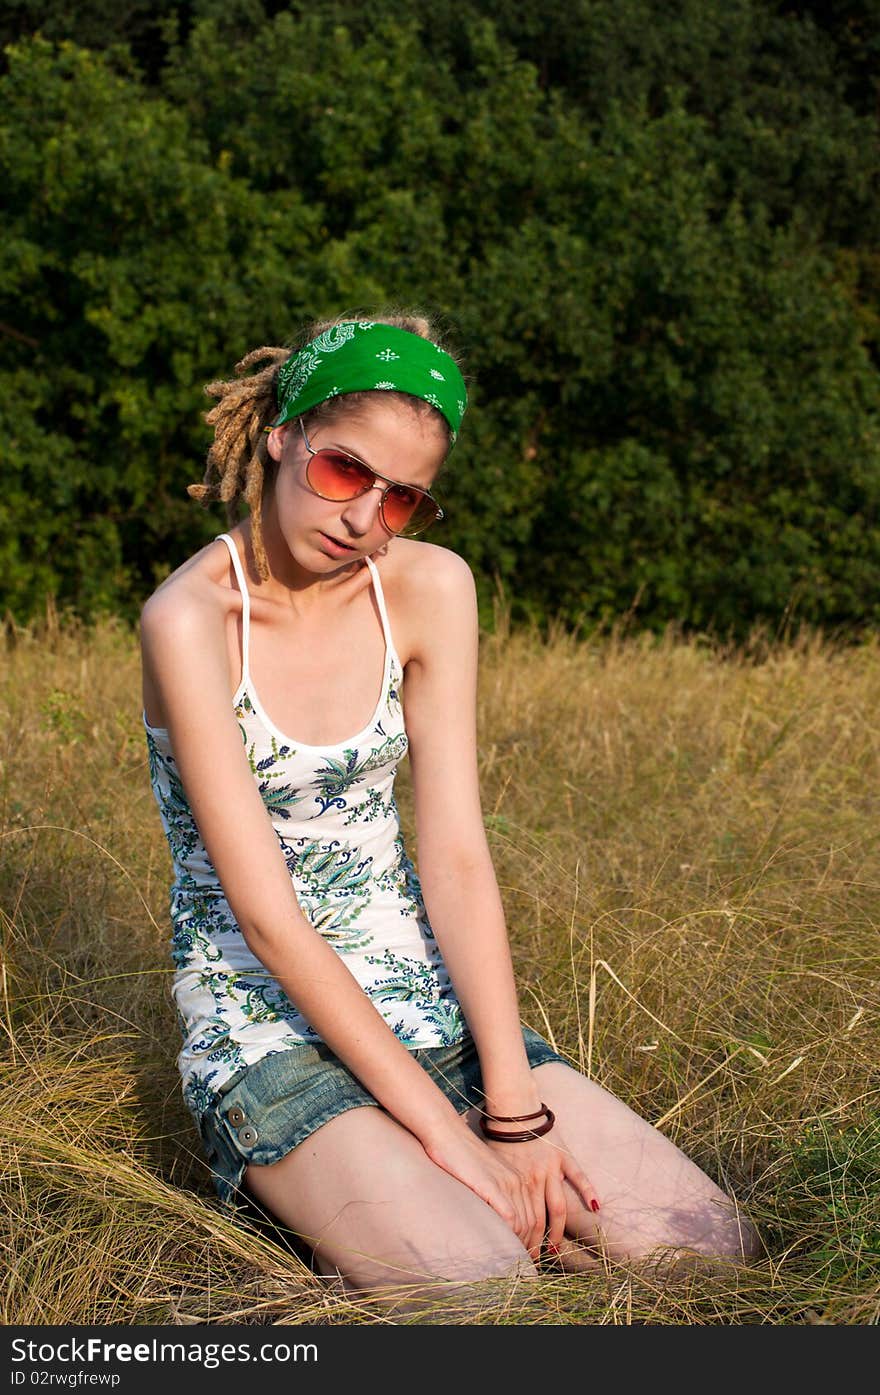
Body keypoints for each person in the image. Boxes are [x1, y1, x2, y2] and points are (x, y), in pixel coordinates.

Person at [140, 311, 757, 1310]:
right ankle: (346, 1196)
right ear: (282, 436)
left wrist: (511, 1113)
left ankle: (415, 1199)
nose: (364, 519)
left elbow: (457, 856)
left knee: (711, 1249)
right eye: (344, 472)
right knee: (485, 1294)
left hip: (427, 1005)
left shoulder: (428, 590)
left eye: (403, 500)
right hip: (269, 1039)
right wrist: (453, 1145)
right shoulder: (188, 620)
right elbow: (268, 919)